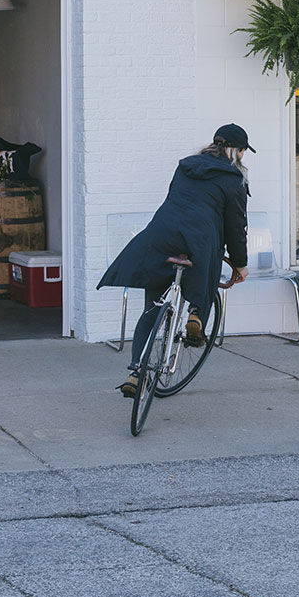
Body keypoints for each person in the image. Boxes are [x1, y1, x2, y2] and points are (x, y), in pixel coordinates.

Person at [100, 124, 253, 398]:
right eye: (242, 152)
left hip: (163, 232)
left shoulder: (185, 166)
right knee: (206, 273)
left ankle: (135, 372)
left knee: (152, 307)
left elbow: (175, 198)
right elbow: (235, 227)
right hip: (200, 238)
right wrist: (240, 265)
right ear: (236, 151)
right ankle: (196, 315)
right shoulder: (234, 180)